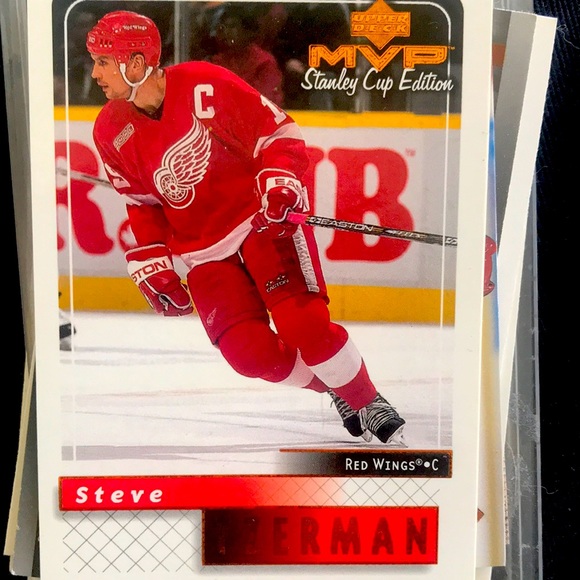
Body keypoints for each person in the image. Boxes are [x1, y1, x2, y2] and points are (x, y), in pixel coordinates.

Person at [85, 10, 406, 445]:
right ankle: (336, 387)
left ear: (136, 62)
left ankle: (368, 401)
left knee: (304, 326)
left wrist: (279, 179)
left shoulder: (204, 84)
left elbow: (278, 134)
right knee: (249, 355)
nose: (96, 74)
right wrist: (154, 254)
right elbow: (143, 203)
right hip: (203, 250)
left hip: (262, 223)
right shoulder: (110, 129)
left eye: (103, 62)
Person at [209, 3, 284, 107]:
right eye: (224, 27)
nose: (226, 31)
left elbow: (267, 103)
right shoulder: (217, 61)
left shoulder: (264, 62)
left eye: (232, 26)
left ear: (247, 31)